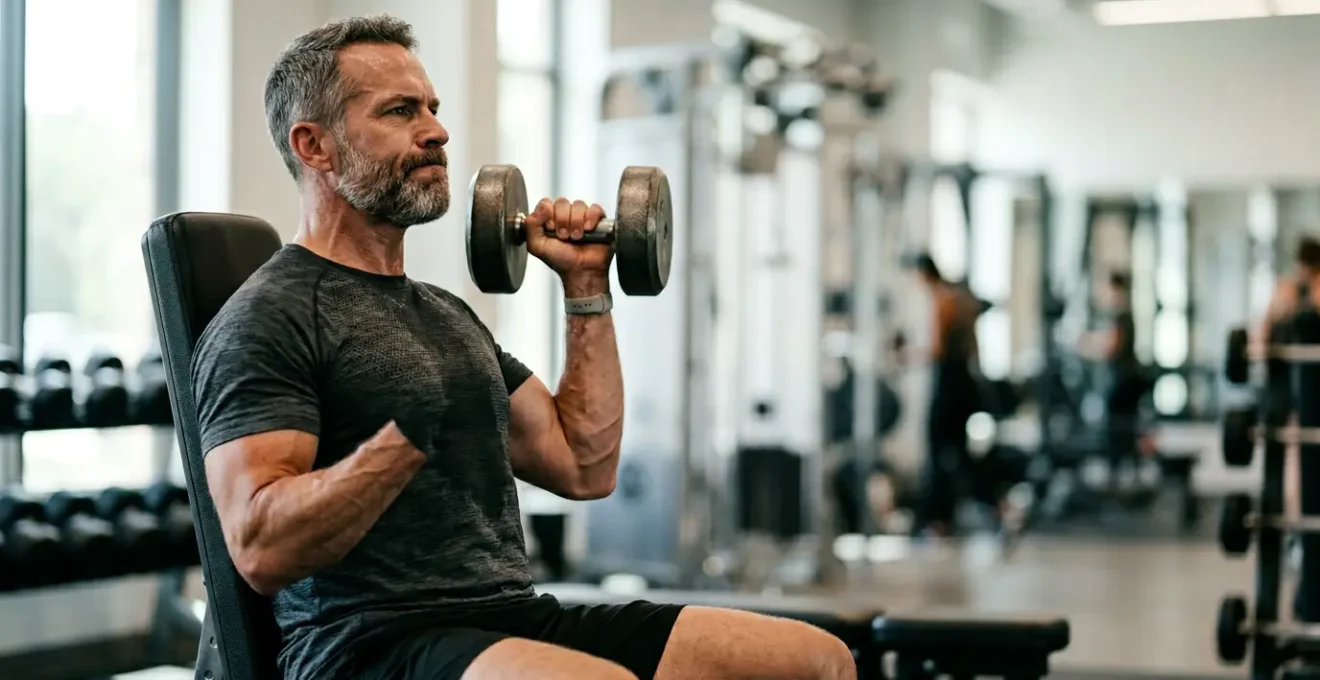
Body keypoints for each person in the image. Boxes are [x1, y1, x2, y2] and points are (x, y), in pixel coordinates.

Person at [191, 16, 855, 680]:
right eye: (400, 111)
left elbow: (583, 466)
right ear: (315, 146)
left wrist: (586, 285)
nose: (437, 131)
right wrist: (400, 444)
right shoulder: (267, 317)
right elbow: (259, 546)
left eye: (432, 108)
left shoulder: (444, 313)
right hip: (367, 645)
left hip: (511, 617)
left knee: (813, 661)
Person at [901, 252, 983, 537]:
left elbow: (937, 348)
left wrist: (908, 355)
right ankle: (962, 512)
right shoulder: (960, 299)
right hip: (962, 382)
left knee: (938, 450)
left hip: (948, 383)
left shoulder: (942, 300)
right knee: (957, 451)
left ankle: (938, 519)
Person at [1077, 271, 1147, 490]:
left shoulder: (1121, 314)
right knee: (1123, 426)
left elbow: (1113, 346)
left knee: (1118, 427)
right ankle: (1125, 474)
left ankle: (1118, 476)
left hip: (1124, 379)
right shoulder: (1122, 314)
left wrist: (1089, 346)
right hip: (1125, 377)